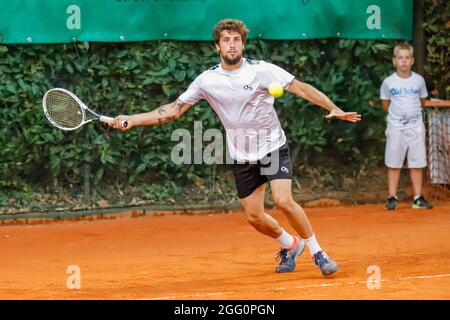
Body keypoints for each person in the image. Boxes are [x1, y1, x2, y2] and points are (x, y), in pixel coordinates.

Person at [110, 19, 361, 276]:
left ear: (243, 43)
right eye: (226, 40)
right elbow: (173, 110)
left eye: (236, 40)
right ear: (217, 46)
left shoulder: (261, 70)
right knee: (254, 217)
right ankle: (290, 244)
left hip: (271, 146)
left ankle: (318, 252)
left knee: (283, 201)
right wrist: (134, 119)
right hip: (242, 155)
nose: (232, 45)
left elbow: (301, 88)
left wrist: (332, 107)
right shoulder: (207, 80)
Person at [380, 42, 433, 210]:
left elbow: (422, 101)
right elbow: (385, 104)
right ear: (394, 61)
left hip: (416, 126)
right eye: (400, 58)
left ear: (412, 61)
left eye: (407, 58)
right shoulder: (389, 82)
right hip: (396, 127)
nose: (404, 61)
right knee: (394, 161)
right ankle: (392, 197)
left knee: (417, 162)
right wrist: (398, 118)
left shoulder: (419, 80)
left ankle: (417, 198)